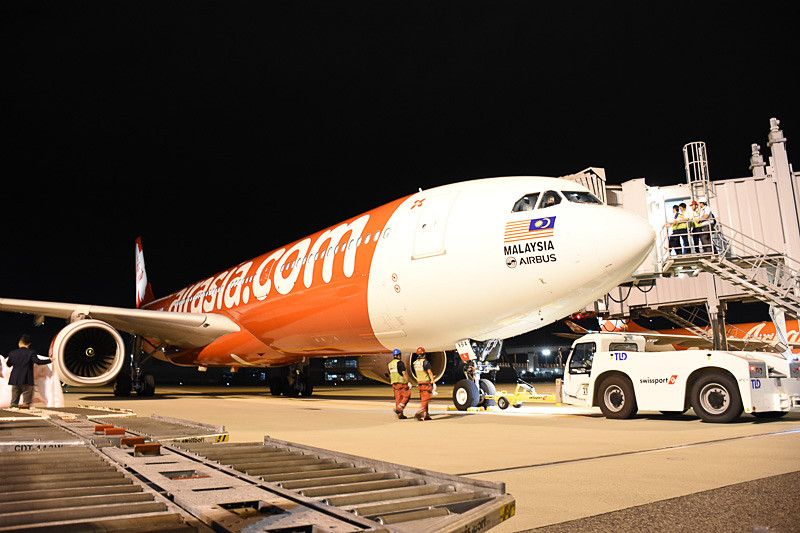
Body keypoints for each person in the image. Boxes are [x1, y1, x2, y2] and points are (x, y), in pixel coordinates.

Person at [5, 334, 51, 408]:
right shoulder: (31, 352)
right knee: (26, 403)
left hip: (15, 379)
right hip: (27, 379)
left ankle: (13, 414)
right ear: (29, 344)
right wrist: (50, 360)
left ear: (20, 342)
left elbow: (8, 364)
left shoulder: (12, 353)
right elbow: (38, 362)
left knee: (14, 402)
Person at [412, 347, 436, 421]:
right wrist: (433, 382)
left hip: (419, 383)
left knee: (424, 400)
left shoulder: (415, 363)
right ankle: (419, 413)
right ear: (424, 355)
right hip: (426, 383)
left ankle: (426, 415)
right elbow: (430, 373)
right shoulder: (425, 362)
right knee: (427, 398)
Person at [388, 349, 411, 419]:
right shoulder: (400, 363)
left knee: (398, 399)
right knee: (407, 395)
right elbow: (404, 373)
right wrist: (408, 382)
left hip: (395, 384)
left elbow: (390, 375)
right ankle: (398, 409)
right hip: (402, 383)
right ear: (399, 355)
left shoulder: (390, 364)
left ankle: (400, 415)